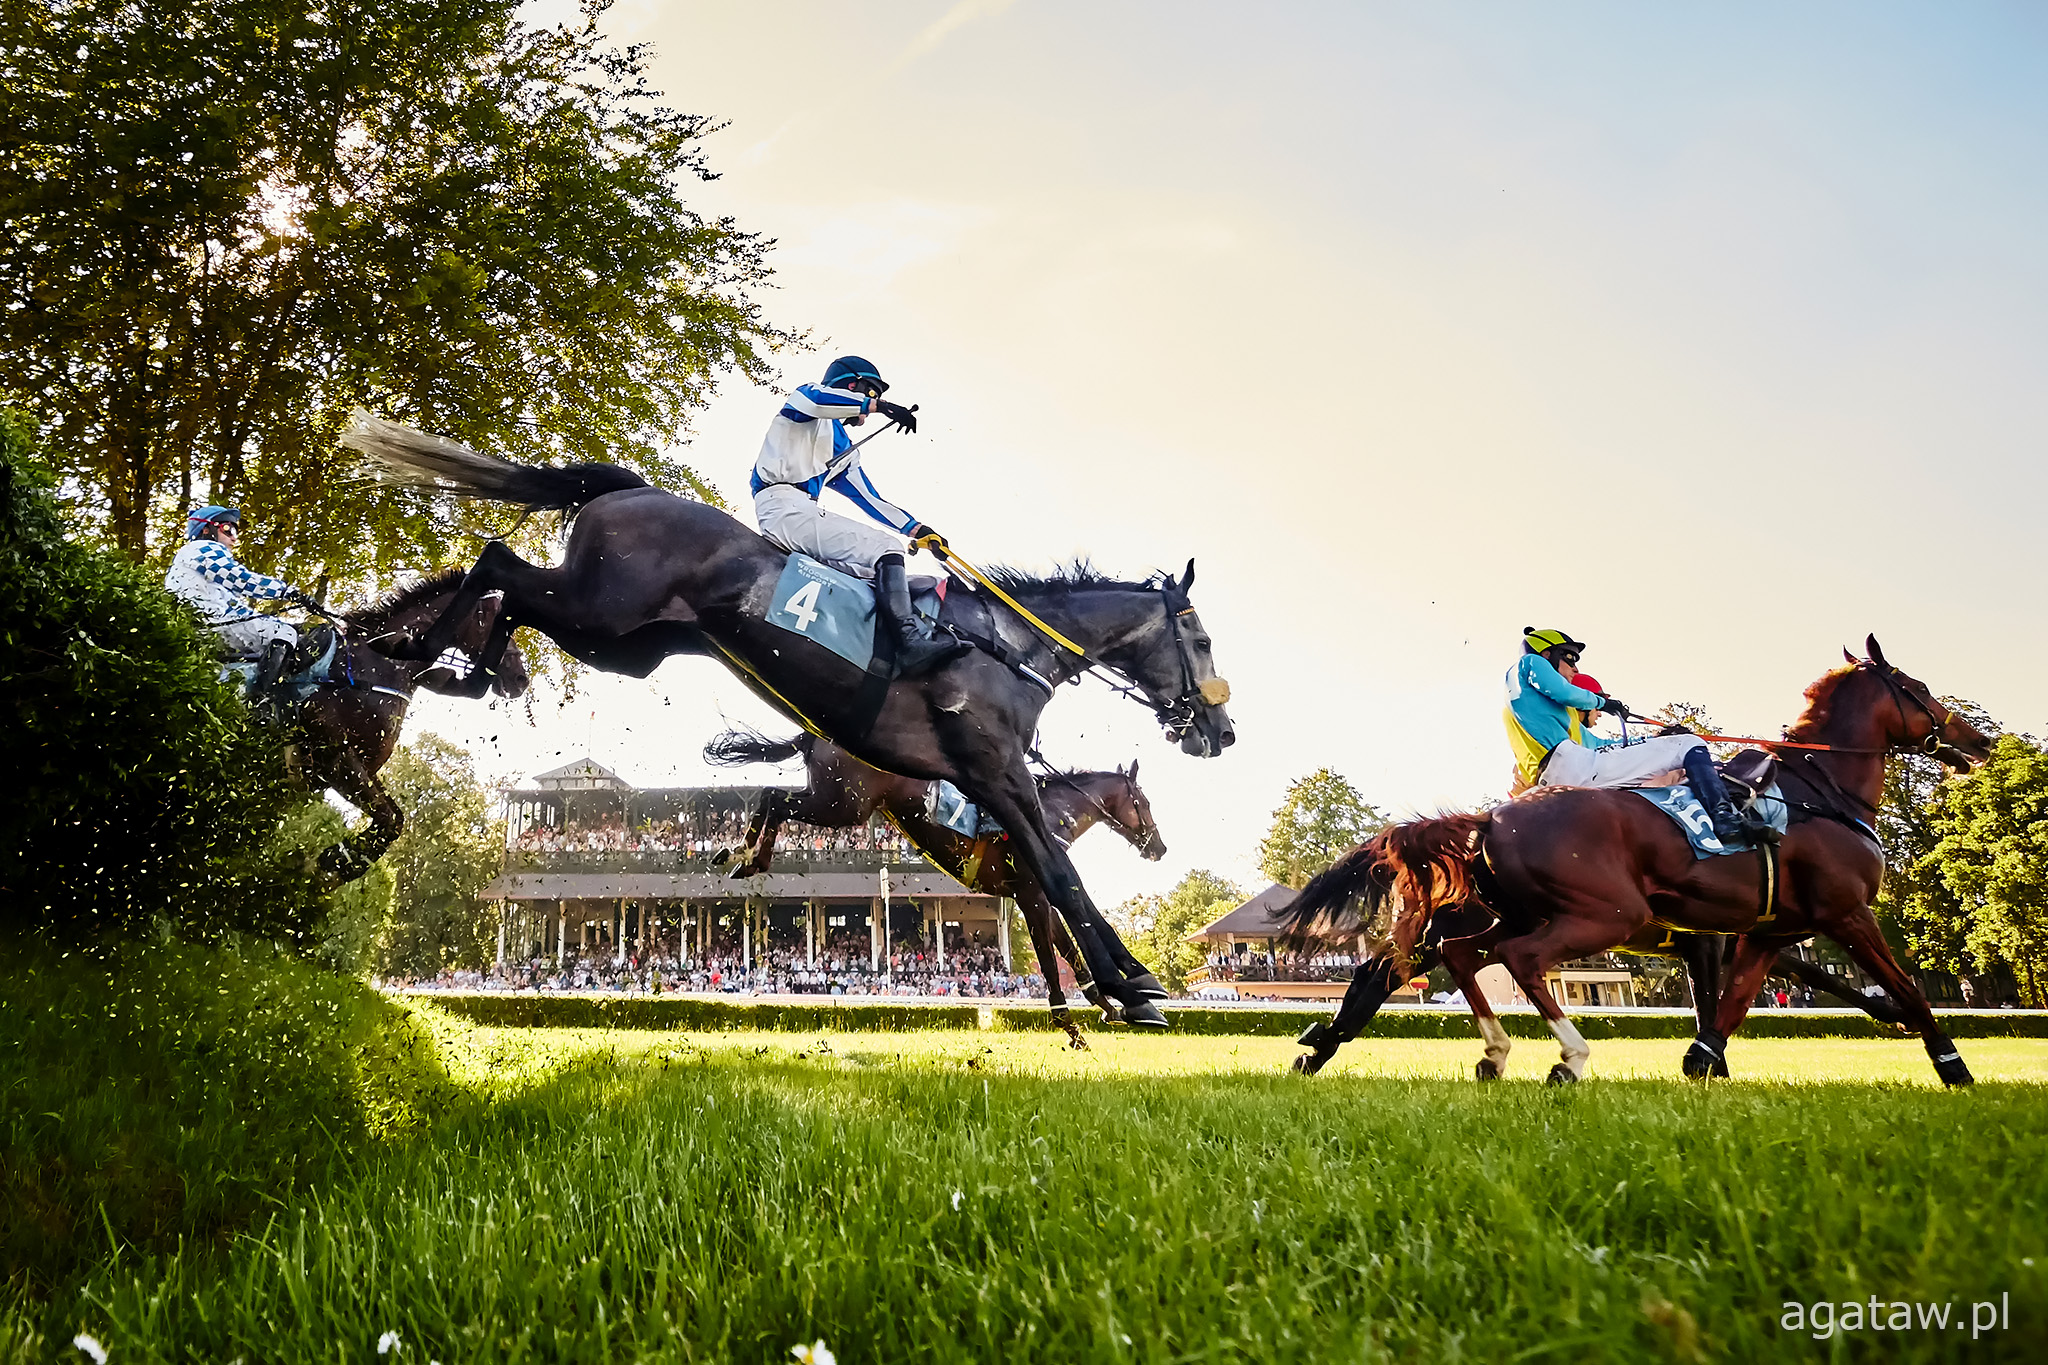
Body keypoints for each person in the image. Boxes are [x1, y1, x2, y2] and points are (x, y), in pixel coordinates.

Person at [750, 355, 962, 674]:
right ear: (852, 386)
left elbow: (869, 499)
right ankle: (909, 643)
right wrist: (880, 406)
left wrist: (919, 530)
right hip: (783, 507)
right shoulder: (807, 399)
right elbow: (820, 400)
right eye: (871, 392)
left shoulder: (843, 448)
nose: (872, 404)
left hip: (799, 512)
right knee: (886, 547)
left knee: (868, 571)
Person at [1506, 626, 1747, 846]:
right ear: (1546, 654)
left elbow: (1603, 746)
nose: (1575, 668)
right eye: (1569, 657)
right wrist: (1603, 703)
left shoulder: (1545, 715)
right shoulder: (1529, 662)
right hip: (1572, 766)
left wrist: (1655, 739)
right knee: (1689, 743)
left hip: (1557, 777)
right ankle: (1725, 820)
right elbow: (1560, 691)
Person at [163, 505, 328, 705]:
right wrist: (288, 592)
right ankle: (261, 701)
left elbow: (236, 608)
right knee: (283, 633)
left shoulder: (190, 561)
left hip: (203, 625)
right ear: (206, 530)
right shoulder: (202, 549)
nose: (234, 538)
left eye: (235, 531)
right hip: (212, 624)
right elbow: (240, 579)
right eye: (228, 529)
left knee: (282, 629)